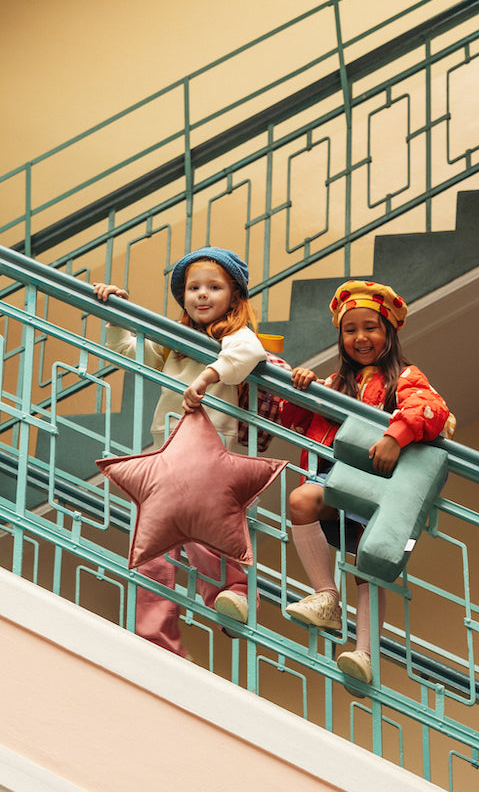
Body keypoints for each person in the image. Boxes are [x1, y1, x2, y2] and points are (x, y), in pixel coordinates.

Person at [280, 280, 454, 690]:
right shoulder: (334, 383)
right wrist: (300, 388)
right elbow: (294, 419)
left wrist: (395, 436)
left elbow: (431, 409)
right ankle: (326, 597)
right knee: (302, 499)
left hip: (379, 488)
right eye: (350, 329)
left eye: (371, 327)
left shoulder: (406, 376)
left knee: (367, 565)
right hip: (334, 480)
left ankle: (364, 654)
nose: (360, 337)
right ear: (340, 337)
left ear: (389, 333)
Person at [93, 247, 266, 657]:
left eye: (213, 287)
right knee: (151, 550)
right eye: (193, 288)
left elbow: (249, 354)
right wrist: (117, 312)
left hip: (211, 459)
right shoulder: (176, 342)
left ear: (234, 296)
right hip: (165, 455)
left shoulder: (234, 337)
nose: (201, 295)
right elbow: (133, 353)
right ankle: (156, 639)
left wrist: (207, 377)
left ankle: (236, 597)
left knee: (209, 541)